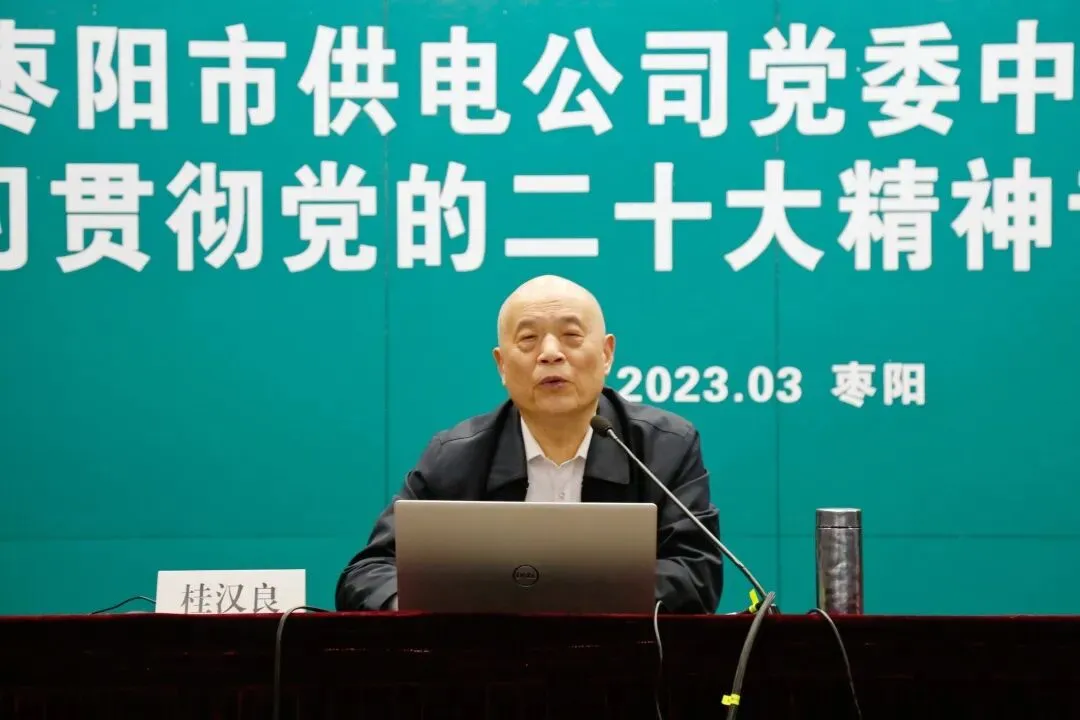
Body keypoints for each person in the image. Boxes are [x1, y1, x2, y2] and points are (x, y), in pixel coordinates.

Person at [335, 275, 724, 614]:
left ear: (607, 354)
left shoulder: (664, 447)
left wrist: (565, 598)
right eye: (528, 339)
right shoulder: (455, 456)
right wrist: (422, 607)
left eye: (571, 336)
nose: (550, 353)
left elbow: (696, 572)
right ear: (502, 365)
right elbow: (367, 574)